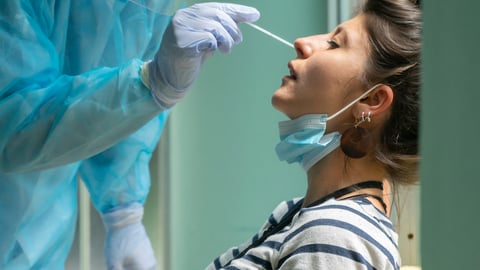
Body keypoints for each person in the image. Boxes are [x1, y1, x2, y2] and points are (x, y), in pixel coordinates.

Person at [0, 1, 259, 269]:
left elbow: (113, 95)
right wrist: (149, 83)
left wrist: (124, 213)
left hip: (45, 230)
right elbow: (11, 125)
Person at [206, 0, 421, 269]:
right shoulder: (296, 214)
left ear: (372, 100)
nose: (301, 42)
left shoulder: (334, 236)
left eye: (334, 43)